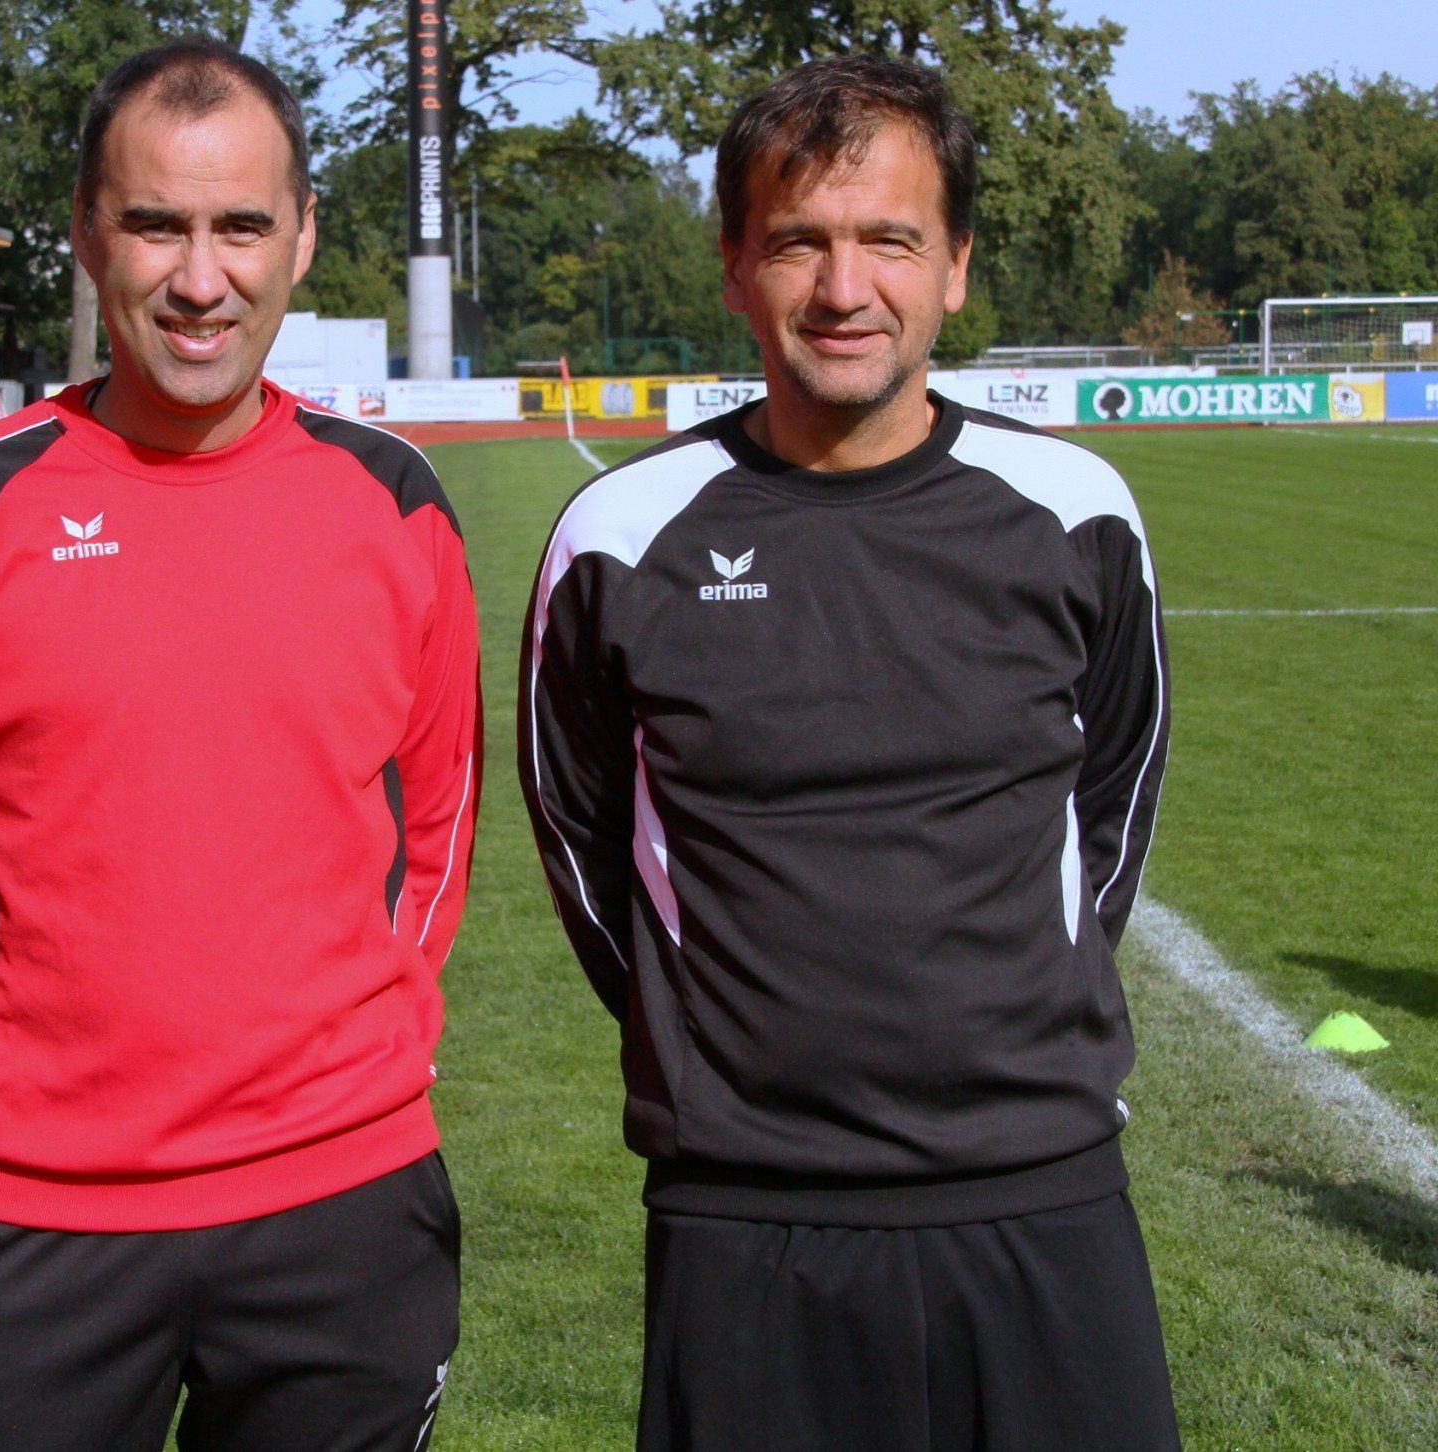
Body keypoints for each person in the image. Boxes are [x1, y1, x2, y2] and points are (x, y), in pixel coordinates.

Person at [0, 38, 480, 1452]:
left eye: (242, 224)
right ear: (86, 233)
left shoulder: (396, 507)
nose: (202, 277)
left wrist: (347, 1057)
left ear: (301, 238)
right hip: (37, 1222)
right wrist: (0, 1092)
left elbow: (436, 834)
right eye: (156, 224)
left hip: (347, 1209)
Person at [520, 55, 1176, 1451]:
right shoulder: (622, 539)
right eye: (797, 241)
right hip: (748, 1213)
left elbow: (1119, 787)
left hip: (1042, 1190)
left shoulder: (1074, 512)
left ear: (955, 268)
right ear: (735, 267)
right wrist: (720, 1048)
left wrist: (1032, 997)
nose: (843, 288)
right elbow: (579, 839)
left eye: (889, 239)